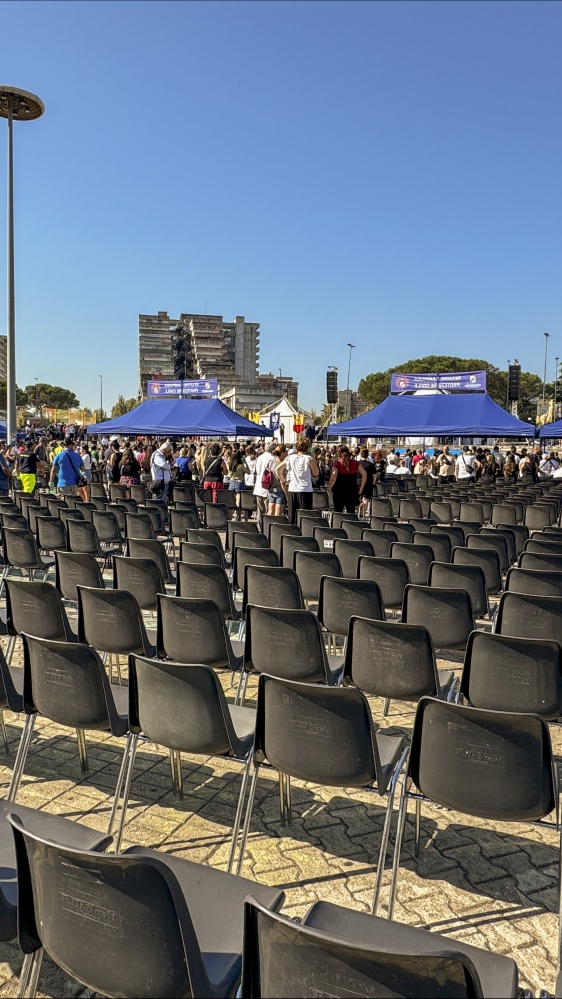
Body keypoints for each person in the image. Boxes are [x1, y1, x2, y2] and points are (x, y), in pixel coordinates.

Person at [276, 437, 319, 524]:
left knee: (292, 517)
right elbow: (316, 473)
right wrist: (313, 457)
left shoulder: (290, 458)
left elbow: (277, 469)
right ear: (307, 447)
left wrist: (283, 480)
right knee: (305, 518)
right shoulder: (308, 459)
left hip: (292, 489)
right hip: (305, 489)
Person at [327, 445, 366, 514]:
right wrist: (361, 487)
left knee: (338, 512)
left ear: (338, 453)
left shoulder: (337, 464)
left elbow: (333, 477)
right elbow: (364, 474)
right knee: (351, 512)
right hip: (352, 491)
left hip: (339, 492)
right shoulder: (356, 463)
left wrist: (330, 487)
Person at [267, 445, 288, 516]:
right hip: (280, 489)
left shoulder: (270, 462)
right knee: (278, 514)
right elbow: (283, 481)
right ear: (282, 453)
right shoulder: (282, 465)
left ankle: (268, 526)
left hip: (271, 488)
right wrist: (287, 495)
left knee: (270, 512)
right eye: (285, 452)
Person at [228, 448, 246, 518]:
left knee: (231, 499)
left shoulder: (230, 464)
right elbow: (249, 471)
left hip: (232, 481)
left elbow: (229, 474)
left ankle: (230, 515)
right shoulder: (240, 466)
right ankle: (237, 513)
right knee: (238, 499)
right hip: (239, 482)